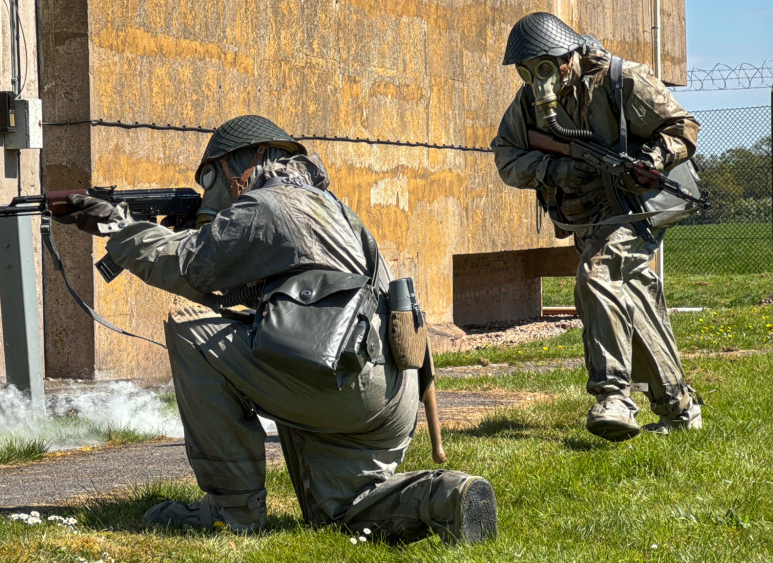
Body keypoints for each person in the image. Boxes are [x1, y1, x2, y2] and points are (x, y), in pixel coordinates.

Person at [55, 115, 497, 542]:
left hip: (342, 381)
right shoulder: (333, 208)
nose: (209, 191)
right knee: (338, 513)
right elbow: (278, 293)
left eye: (210, 176)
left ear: (246, 163)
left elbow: (187, 267)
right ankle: (448, 497)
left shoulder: (265, 205)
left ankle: (232, 511)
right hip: (388, 395)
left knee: (191, 332)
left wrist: (118, 227)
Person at [490, 12, 703, 442]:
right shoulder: (528, 103)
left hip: (634, 208)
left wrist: (652, 160)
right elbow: (506, 156)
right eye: (527, 71)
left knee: (597, 275)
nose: (537, 80)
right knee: (633, 301)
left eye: (544, 68)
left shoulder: (621, 80)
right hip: (586, 217)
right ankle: (679, 407)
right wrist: (554, 169)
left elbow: (683, 127)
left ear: (567, 57)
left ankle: (614, 396)